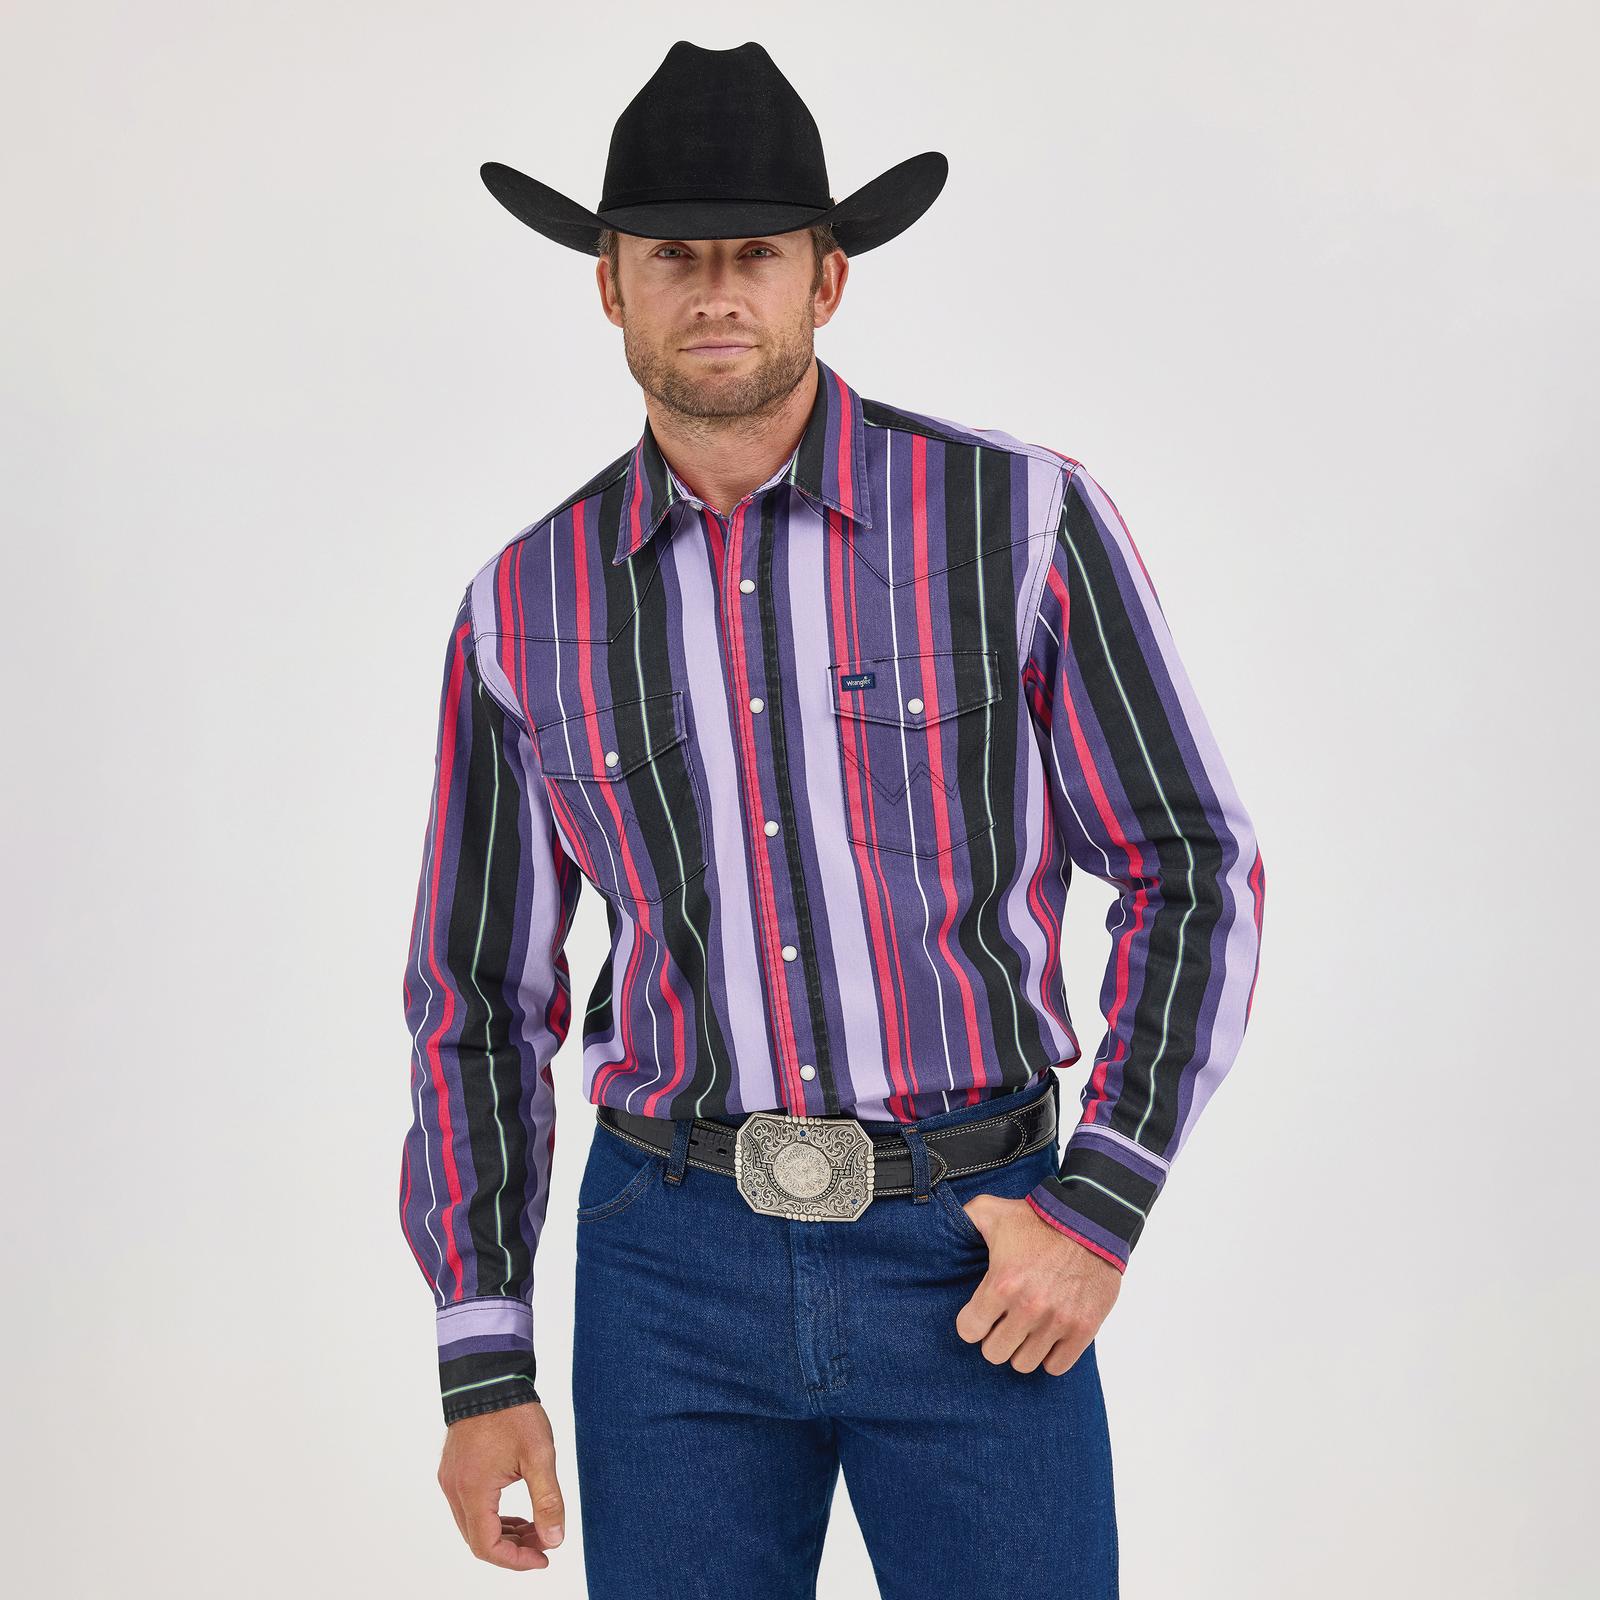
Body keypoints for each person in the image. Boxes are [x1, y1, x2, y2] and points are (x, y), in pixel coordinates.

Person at [398, 38, 1265, 1599]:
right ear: (610, 287)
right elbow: (475, 1000)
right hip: (667, 1267)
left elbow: (1190, 865)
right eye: (673, 257)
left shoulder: (1015, 522)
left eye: (755, 254)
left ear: (828, 278)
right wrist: (483, 1356)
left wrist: (1100, 1209)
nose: (715, 293)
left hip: (973, 1247)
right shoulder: (521, 605)